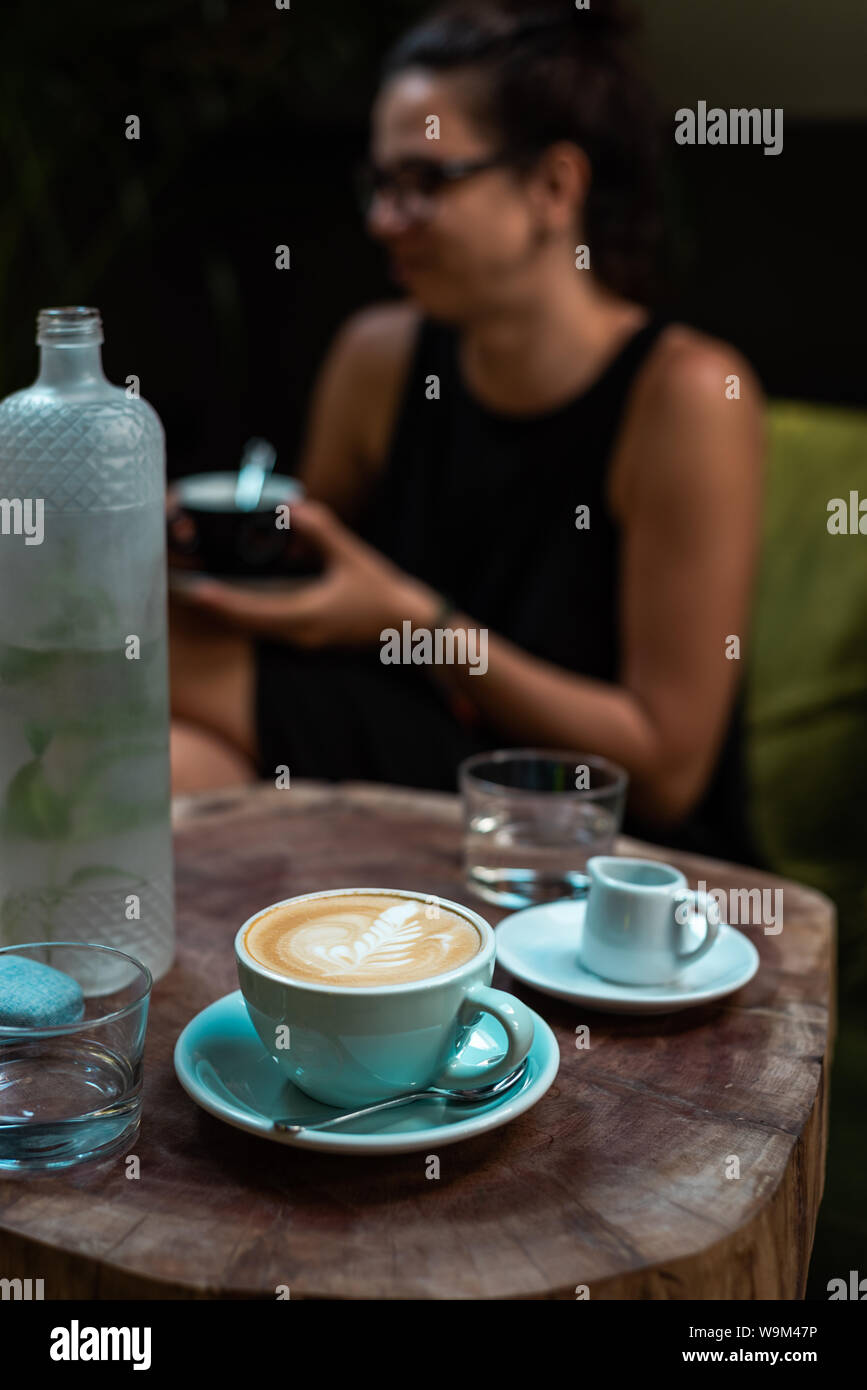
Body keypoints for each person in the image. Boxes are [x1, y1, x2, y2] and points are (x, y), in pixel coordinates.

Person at [170, 0, 765, 866]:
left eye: (425, 183)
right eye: (380, 184)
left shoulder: (687, 396)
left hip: (596, 822)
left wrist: (413, 619)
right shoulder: (378, 356)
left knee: (165, 665)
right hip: (408, 760)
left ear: (554, 188)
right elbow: (309, 590)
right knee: (183, 762)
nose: (383, 220)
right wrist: (213, 549)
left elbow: (667, 769)